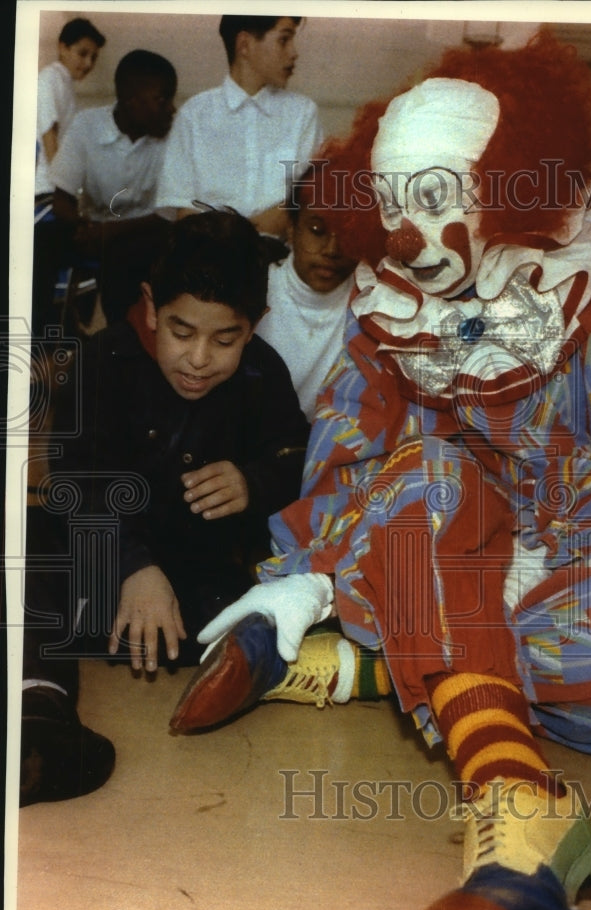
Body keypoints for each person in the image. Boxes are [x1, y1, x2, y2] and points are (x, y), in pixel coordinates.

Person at [168, 33, 591, 910]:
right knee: (429, 472)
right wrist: (350, 551)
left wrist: (534, 529)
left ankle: (365, 660)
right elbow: (343, 454)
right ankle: (515, 800)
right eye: (394, 207)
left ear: (504, 183)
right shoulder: (384, 307)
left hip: (545, 565)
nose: (412, 238)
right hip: (425, 530)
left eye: (436, 197)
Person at [20, 210, 310, 807]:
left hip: (201, 591)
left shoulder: (264, 376)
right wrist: (131, 565)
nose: (199, 358)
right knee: (27, 544)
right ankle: (39, 711)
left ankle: (239, 666)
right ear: (151, 308)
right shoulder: (103, 363)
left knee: (278, 596)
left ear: (255, 326)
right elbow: (75, 478)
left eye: (225, 339)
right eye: (181, 332)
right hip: (102, 574)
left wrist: (255, 480)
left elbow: (298, 457)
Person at [156, 15, 322, 253]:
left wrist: (227, 230)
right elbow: (185, 213)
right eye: (284, 40)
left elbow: (300, 206)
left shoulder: (303, 113)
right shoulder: (194, 114)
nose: (294, 53)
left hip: (277, 258)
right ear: (244, 44)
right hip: (207, 261)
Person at [47, 48, 178, 324]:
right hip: (94, 230)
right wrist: (83, 228)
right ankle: (49, 334)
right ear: (131, 101)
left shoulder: (175, 134)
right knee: (38, 241)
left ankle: (120, 339)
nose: (171, 109)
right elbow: (62, 197)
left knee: (123, 255)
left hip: (147, 235)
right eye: (162, 100)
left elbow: (167, 215)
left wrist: (108, 233)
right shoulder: (87, 125)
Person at [254, 164, 357, 419]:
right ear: (291, 228)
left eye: (347, 234)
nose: (332, 250)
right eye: (316, 230)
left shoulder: (370, 299)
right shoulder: (255, 287)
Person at [35, 17, 106, 213]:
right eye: (82, 54)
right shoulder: (49, 79)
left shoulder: (65, 84)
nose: (88, 63)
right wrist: (65, 193)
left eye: (93, 57)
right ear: (62, 47)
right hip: (47, 192)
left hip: (57, 190)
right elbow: (50, 138)